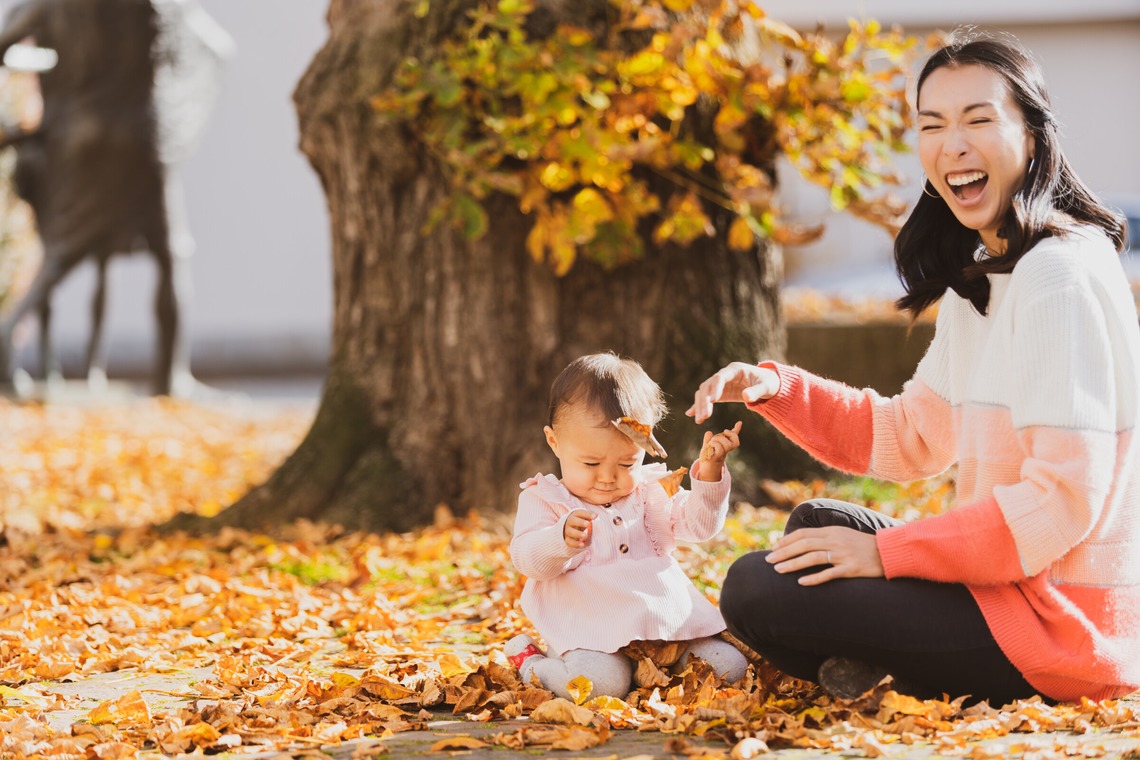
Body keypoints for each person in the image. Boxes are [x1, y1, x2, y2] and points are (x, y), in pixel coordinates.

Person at [688, 31, 1139, 706]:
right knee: (813, 526)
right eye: (932, 124)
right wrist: (775, 387)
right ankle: (881, 665)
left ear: (1034, 137)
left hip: (1058, 629)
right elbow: (908, 438)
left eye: (978, 119)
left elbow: (1061, 503)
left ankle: (895, 666)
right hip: (1005, 587)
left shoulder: (1056, 276)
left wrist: (885, 554)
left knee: (756, 588)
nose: (952, 143)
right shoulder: (992, 271)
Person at [506, 352, 749, 699]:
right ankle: (532, 665)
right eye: (590, 463)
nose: (607, 477)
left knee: (729, 667)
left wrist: (709, 477)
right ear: (554, 442)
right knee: (598, 686)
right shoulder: (546, 498)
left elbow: (700, 526)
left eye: (627, 462)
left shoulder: (649, 492)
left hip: (665, 627)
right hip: (589, 631)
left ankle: (650, 669)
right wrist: (560, 539)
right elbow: (527, 559)